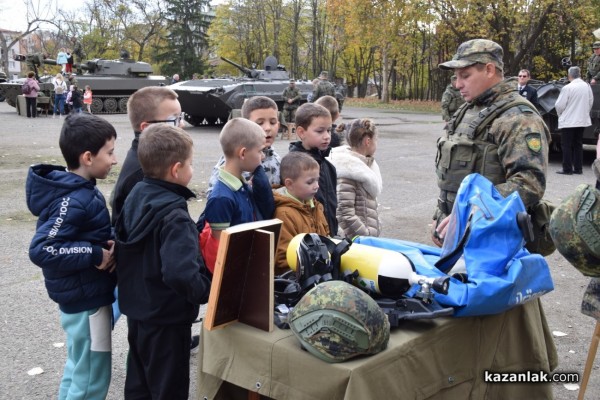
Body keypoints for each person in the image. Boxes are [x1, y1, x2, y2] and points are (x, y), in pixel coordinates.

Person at [115, 124, 211, 400]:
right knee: (169, 387)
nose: (192, 170)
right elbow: (180, 272)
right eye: (191, 164)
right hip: (167, 317)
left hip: (139, 310)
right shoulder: (174, 215)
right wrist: (205, 290)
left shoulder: (137, 194)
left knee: (140, 380)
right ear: (176, 169)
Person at [26, 113, 118, 400]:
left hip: (83, 296)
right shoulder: (73, 199)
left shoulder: (81, 192)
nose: (114, 160)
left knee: (79, 367)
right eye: (110, 152)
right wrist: (94, 254)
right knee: (91, 375)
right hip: (85, 301)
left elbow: (82, 231)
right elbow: (43, 248)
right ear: (88, 157)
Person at [432, 39, 550, 247]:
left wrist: (474, 211)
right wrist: (442, 215)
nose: (458, 84)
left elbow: (529, 183)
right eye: (456, 77)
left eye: (465, 76)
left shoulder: (518, 118)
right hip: (458, 231)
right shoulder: (468, 110)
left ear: (489, 70)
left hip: (494, 241)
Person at [199, 118, 274, 273]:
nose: (263, 157)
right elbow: (218, 254)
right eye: (260, 151)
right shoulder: (221, 198)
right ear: (243, 153)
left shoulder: (241, 185)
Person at [206, 96, 282, 194]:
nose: (267, 128)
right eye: (260, 123)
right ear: (245, 126)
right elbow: (216, 197)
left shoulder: (276, 158)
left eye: (272, 122)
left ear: (279, 125)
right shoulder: (233, 161)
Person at [273, 152, 329, 273]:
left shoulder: (315, 205)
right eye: (310, 182)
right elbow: (284, 259)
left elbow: (326, 237)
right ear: (289, 184)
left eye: (317, 180)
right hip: (302, 279)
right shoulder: (284, 214)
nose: (316, 186)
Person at [327, 118, 382, 238]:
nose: (376, 143)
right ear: (368, 141)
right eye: (376, 139)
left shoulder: (364, 166)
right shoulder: (348, 170)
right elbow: (344, 213)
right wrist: (365, 236)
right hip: (357, 243)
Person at [289, 103, 338, 236]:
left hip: (329, 236)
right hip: (309, 240)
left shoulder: (328, 167)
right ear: (301, 132)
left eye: (329, 130)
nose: (327, 136)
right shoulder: (293, 167)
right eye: (320, 131)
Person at [554, 66, 594, 175]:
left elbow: (559, 105)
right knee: (578, 144)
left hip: (568, 121)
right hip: (582, 120)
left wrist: (560, 115)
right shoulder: (587, 86)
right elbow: (590, 102)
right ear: (579, 74)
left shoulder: (567, 88)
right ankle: (578, 168)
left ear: (569, 75)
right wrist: (584, 112)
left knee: (566, 145)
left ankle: (567, 168)